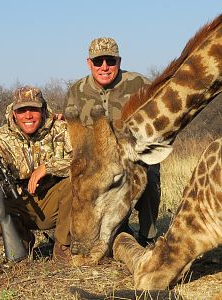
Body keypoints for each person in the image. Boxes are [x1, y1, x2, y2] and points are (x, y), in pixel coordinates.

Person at [64, 37, 161, 247]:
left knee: (150, 178)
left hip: (132, 157)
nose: (105, 67)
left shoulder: (140, 84)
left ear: (119, 61)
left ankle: (149, 236)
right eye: (98, 62)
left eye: (110, 60)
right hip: (98, 162)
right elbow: (74, 133)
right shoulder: (76, 91)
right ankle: (83, 237)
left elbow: (157, 120)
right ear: (89, 63)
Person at [0, 86, 72, 262]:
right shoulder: (0, 138)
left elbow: (82, 163)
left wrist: (48, 167)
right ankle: (23, 243)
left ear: (42, 110)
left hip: (53, 201)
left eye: (33, 109)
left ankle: (63, 246)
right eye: (21, 110)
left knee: (75, 182)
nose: (28, 115)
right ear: (13, 113)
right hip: (21, 202)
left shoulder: (61, 129)